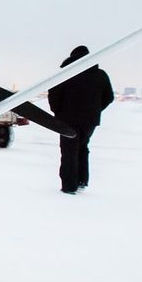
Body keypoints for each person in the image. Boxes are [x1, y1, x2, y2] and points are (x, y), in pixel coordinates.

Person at [46, 45, 114, 194]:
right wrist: (95, 110)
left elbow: (54, 94)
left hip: (67, 119)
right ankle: (82, 180)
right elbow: (109, 97)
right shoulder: (100, 75)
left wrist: (58, 111)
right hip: (90, 121)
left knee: (69, 150)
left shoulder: (66, 73)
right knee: (83, 147)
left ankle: (69, 186)